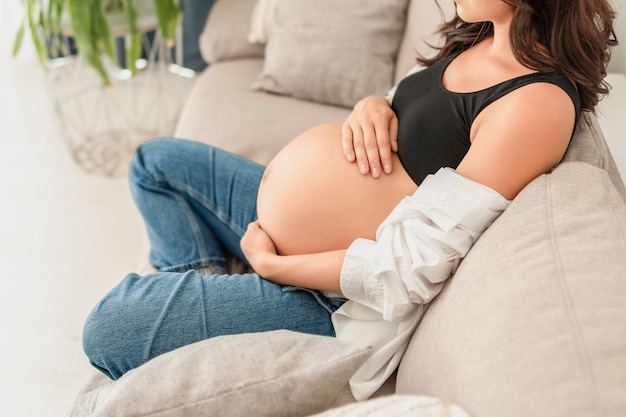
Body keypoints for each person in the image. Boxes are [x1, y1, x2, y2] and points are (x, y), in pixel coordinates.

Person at [82, 0, 617, 400]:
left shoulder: (535, 103)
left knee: (110, 326)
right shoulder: (479, 34)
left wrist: (277, 266)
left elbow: (410, 267)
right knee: (157, 164)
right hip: (293, 243)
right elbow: (413, 118)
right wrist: (372, 106)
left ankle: (226, 302)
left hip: (334, 298)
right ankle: (218, 301)